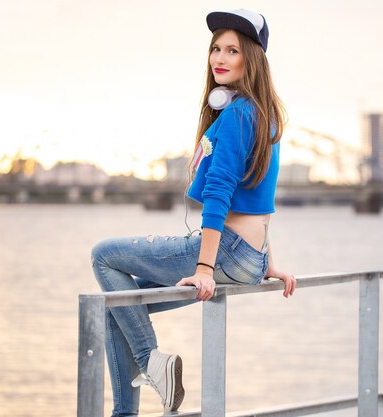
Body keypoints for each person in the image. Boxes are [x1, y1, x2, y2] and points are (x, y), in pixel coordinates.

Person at [91, 8, 296, 416]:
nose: (219, 58)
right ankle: (124, 413)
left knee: (103, 254)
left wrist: (203, 268)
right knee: (120, 304)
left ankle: (154, 360)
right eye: (215, 48)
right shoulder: (264, 114)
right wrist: (266, 262)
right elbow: (260, 197)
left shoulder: (237, 115)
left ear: (251, 58)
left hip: (223, 252)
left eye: (232, 50)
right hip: (247, 258)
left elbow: (221, 194)